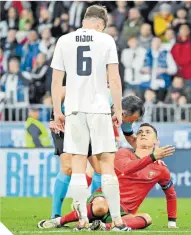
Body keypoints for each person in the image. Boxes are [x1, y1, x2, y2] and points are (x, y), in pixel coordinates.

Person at [51, 5, 129, 231]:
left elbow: (56, 82)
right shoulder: (105, 41)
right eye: (102, 27)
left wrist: (58, 111)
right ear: (99, 24)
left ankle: (82, 220)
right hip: (99, 109)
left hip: (73, 109)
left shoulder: (64, 40)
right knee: (106, 164)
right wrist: (118, 109)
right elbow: (114, 79)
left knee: (77, 165)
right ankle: (117, 221)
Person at [38, 123, 176, 230]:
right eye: (139, 132)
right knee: (101, 207)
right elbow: (127, 169)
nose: (142, 134)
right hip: (104, 197)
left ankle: (104, 227)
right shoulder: (124, 153)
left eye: (147, 132)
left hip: (123, 212)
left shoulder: (161, 169)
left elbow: (171, 195)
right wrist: (152, 157)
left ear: (156, 141)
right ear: (135, 140)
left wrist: (172, 222)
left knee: (147, 218)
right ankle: (58, 221)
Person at [49, 91, 145, 220]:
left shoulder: (124, 115)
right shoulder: (102, 95)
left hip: (89, 129)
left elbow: (131, 138)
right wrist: (54, 115)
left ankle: (93, 210)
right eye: (132, 120)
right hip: (64, 122)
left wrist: (150, 156)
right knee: (68, 168)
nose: (130, 123)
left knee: (100, 168)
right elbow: (62, 91)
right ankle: (55, 215)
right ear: (123, 112)